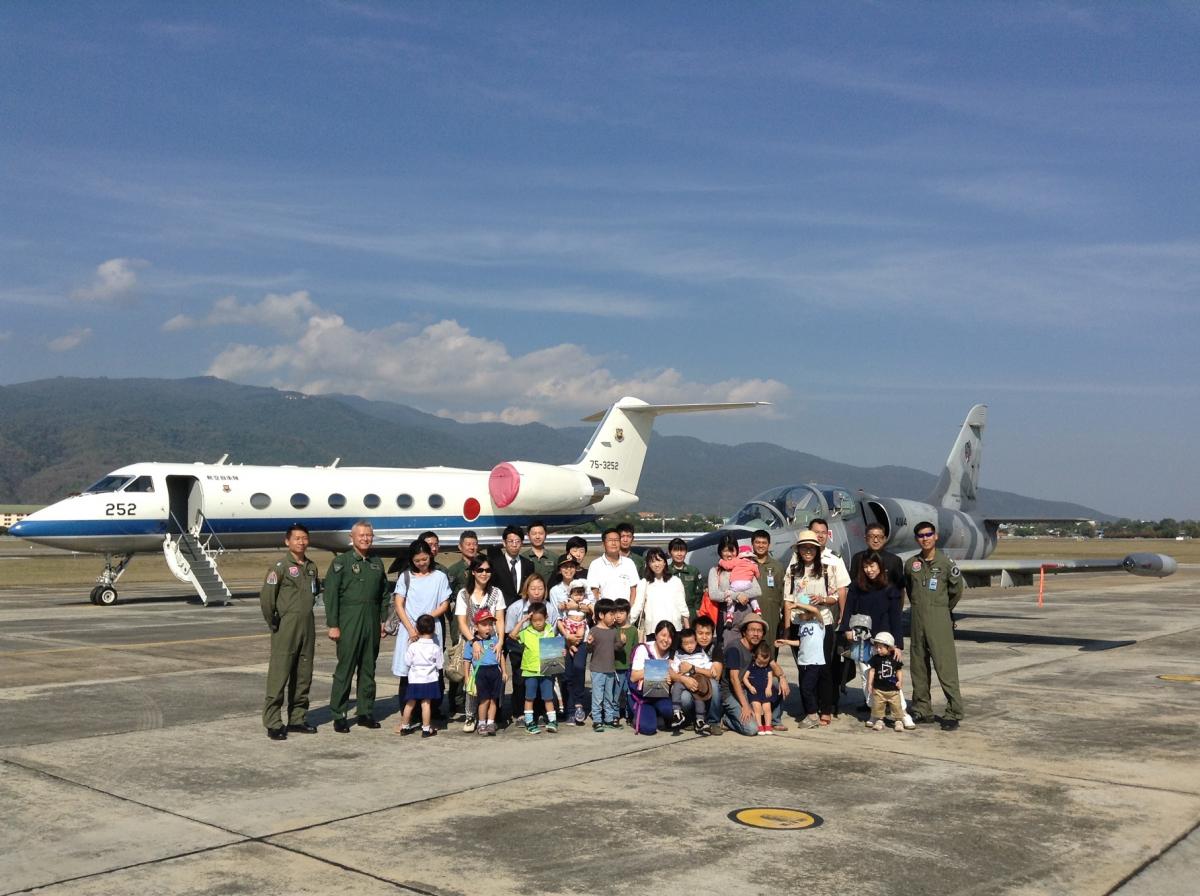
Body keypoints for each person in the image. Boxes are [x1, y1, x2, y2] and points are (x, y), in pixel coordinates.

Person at [325, 521, 392, 733]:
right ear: (351, 538)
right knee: (345, 669)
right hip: (349, 619)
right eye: (361, 535)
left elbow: (384, 594)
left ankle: (365, 712)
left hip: (371, 619)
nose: (365, 538)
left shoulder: (376, 562)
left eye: (369, 535)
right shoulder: (341, 562)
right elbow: (331, 595)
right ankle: (339, 714)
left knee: (368, 668)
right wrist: (333, 624)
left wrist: (383, 620)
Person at [260, 523, 319, 740]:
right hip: (286, 626)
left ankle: (297, 718)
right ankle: (273, 722)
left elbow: (315, 592)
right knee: (279, 674)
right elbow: (267, 599)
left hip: (307, 625)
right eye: (297, 538)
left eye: (304, 538)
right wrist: (275, 622)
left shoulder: (311, 567)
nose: (301, 542)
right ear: (287, 541)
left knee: (303, 674)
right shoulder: (280, 567)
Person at [905, 521, 965, 731]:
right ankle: (922, 709)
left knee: (945, 667)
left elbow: (956, 590)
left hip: (939, 618)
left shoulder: (946, 563)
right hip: (917, 619)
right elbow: (909, 588)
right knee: (918, 667)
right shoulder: (911, 564)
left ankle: (954, 711)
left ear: (936, 536)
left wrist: (942, 609)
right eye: (921, 536)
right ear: (917, 539)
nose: (925, 538)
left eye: (929, 534)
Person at [782, 529, 840, 726]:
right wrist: (787, 628)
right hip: (800, 624)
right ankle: (810, 708)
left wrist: (821, 599)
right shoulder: (793, 570)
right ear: (798, 550)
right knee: (804, 667)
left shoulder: (826, 569)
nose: (808, 551)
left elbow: (835, 597)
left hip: (822, 623)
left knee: (824, 667)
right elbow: (788, 600)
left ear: (817, 550)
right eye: (804, 547)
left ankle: (826, 708)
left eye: (811, 548)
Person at [840, 551, 907, 721]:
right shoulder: (856, 587)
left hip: (883, 641)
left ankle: (902, 713)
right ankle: (875, 712)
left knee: (889, 675)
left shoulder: (890, 589)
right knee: (866, 675)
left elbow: (896, 618)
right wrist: (846, 629)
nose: (869, 570)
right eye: (865, 566)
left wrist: (897, 645)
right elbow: (848, 609)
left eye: (872, 566)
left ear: (880, 566)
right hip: (862, 638)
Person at [391, 539, 452, 708]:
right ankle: (408, 712)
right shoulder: (406, 576)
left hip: (431, 629)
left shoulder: (440, 577)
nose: (421, 563)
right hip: (409, 629)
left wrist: (425, 621)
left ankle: (430, 711)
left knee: (431, 669)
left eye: (424, 559)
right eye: (417, 560)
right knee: (409, 670)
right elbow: (399, 604)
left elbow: (444, 604)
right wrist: (412, 629)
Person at [454, 555, 506, 733]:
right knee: (472, 680)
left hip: (492, 641)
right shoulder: (464, 594)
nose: (484, 573)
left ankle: (492, 717)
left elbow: (500, 619)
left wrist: (500, 641)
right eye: (480, 570)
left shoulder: (496, 593)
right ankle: (470, 715)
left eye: (488, 570)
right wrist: (474, 640)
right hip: (470, 639)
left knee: (494, 678)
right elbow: (462, 622)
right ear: (473, 572)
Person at [720, 613, 789, 736]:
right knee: (752, 729)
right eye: (752, 630)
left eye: (759, 631)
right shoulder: (734, 649)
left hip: (750, 688)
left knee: (777, 683)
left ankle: (774, 720)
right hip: (732, 693)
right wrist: (745, 706)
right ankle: (727, 720)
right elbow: (734, 679)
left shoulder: (760, 646)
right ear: (744, 632)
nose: (756, 634)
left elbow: (773, 665)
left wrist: (782, 677)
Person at [809, 518, 851, 714]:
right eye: (816, 532)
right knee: (810, 660)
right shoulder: (800, 557)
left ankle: (831, 701)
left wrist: (843, 614)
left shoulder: (834, 558)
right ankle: (813, 700)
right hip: (807, 618)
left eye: (823, 532)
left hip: (829, 616)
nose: (820, 535)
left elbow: (842, 589)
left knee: (830, 660)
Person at [504, 573, 556, 724]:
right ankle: (520, 713)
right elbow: (510, 632)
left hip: (544, 646)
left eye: (540, 588)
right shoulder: (516, 607)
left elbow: (553, 631)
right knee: (521, 680)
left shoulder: (550, 608)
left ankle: (540, 712)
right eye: (533, 588)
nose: (537, 592)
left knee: (544, 680)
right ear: (527, 589)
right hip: (520, 644)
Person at [774, 601, 824, 728]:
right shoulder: (802, 625)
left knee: (807, 688)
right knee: (804, 688)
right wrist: (786, 642)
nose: (800, 615)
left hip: (815, 661)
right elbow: (801, 642)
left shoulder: (818, 623)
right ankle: (811, 714)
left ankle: (813, 716)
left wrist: (797, 605)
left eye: (803, 613)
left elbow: (816, 610)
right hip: (803, 661)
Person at [708, 535, 762, 650]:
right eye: (725, 551)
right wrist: (736, 596)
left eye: (731, 550)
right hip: (727, 618)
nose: (728, 554)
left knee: (748, 653)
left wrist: (743, 595)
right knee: (730, 650)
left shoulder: (745, 565)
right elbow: (714, 594)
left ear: (737, 551)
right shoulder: (715, 570)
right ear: (720, 552)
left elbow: (757, 590)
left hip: (747, 617)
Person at [628, 620, 682, 735]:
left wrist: (671, 678)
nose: (666, 640)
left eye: (670, 637)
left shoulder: (673, 655)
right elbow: (633, 677)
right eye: (663, 635)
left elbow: (677, 676)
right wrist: (659, 670)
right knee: (649, 729)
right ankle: (639, 716)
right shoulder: (643, 649)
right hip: (641, 697)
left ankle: (657, 715)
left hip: (660, 696)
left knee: (670, 712)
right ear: (656, 635)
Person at [394, 614, 442, 738]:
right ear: (434, 629)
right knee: (426, 704)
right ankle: (426, 729)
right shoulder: (435, 648)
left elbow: (407, 662)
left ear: (417, 629)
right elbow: (440, 664)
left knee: (410, 703)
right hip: (429, 679)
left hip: (415, 679)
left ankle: (405, 727)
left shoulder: (413, 646)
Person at [518, 602, 560, 734]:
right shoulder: (526, 632)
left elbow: (555, 649)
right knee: (529, 697)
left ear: (546, 617)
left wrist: (560, 652)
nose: (537, 623)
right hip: (530, 671)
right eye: (534, 620)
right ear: (530, 619)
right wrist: (523, 621)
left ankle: (552, 721)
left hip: (546, 670)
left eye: (540, 620)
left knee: (548, 697)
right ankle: (529, 722)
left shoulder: (550, 631)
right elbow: (513, 635)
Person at [463, 608, 506, 736]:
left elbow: (501, 656)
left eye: (490, 624)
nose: (488, 627)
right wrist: (467, 677)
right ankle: (481, 723)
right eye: (484, 624)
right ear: (476, 627)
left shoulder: (495, 640)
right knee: (484, 700)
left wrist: (504, 671)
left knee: (493, 699)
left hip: (495, 671)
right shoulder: (471, 643)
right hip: (481, 672)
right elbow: (466, 661)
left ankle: (491, 722)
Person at [631, 547, 689, 636]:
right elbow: (638, 606)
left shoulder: (675, 581)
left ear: (665, 562)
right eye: (653, 561)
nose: (656, 564)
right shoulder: (644, 583)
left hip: (674, 629)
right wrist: (627, 623)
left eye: (659, 560)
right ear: (648, 564)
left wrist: (687, 630)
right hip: (653, 630)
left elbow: (682, 606)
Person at [587, 598, 625, 731]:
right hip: (597, 669)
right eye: (611, 614)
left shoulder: (614, 631)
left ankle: (609, 719)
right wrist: (589, 643)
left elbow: (616, 648)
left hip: (610, 669)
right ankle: (597, 720)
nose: (614, 617)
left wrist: (622, 642)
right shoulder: (594, 630)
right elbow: (589, 650)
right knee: (597, 696)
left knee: (609, 696)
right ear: (601, 615)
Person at [849, 524, 907, 607]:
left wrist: (898, 611)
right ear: (865, 538)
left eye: (879, 537)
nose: (875, 540)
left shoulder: (894, 560)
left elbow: (900, 589)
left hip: (886, 608)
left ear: (885, 539)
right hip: (862, 608)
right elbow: (852, 587)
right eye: (872, 537)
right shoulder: (858, 558)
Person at [559, 579, 592, 724]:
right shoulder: (567, 601)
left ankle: (578, 704)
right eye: (576, 593)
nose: (579, 595)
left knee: (579, 668)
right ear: (570, 593)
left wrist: (580, 606)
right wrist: (568, 640)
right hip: (567, 633)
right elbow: (560, 613)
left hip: (581, 637)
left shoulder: (585, 602)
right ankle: (569, 709)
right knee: (567, 674)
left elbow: (593, 609)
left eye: (581, 593)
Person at [669, 627, 713, 734]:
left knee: (699, 697)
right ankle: (677, 712)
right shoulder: (679, 654)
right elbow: (674, 668)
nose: (689, 646)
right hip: (684, 680)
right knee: (677, 687)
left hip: (697, 680)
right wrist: (678, 672)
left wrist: (708, 670)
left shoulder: (701, 653)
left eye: (692, 643)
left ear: (696, 642)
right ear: (681, 644)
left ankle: (700, 721)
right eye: (686, 644)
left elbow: (708, 667)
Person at [750, 529, 787, 647]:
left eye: (764, 543)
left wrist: (784, 618)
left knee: (769, 648)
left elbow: (783, 593)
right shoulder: (746, 564)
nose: (761, 545)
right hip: (750, 614)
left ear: (769, 545)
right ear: (752, 544)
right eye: (757, 542)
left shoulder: (778, 567)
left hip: (771, 615)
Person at [866, 631, 905, 732]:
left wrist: (900, 681)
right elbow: (872, 671)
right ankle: (880, 720)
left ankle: (898, 721)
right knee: (878, 706)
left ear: (889, 648)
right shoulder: (875, 658)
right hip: (879, 689)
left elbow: (899, 671)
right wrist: (869, 684)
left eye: (881, 648)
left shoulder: (895, 658)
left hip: (893, 689)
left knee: (896, 706)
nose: (878, 650)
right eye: (876, 647)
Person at [588, 528, 638, 605]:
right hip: (605, 610)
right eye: (610, 540)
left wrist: (630, 609)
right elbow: (594, 591)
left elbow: (634, 589)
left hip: (625, 610)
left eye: (617, 540)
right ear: (603, 544)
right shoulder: (595, 564)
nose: (614, 543)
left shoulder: (629, 563)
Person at [692, 615, 725, 734]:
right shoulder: (688, 646)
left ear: (712, 634)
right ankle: (690, 720)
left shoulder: (716, 648)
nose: (704, 637)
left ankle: (713, 722)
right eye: (700, 633)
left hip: (708, 688)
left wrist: (693, 668)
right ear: (694, 634)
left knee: (714, 685)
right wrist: (706, 671)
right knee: (684, 696)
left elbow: (716, 675)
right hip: (691, 684)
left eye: (708, 633)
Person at [742, 641, 783, 735]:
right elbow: (745, 678)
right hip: (754, 691)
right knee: (757, 708)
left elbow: (770, 678)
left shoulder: (767, 667)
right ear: (755, 657)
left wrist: (768, 687)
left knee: (767, 709)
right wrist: (750, 687)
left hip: (765, 691)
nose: (762, 665)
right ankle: (759, 726)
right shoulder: (752, 666)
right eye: (759, 662)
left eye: (765, 663)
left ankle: (768, 726)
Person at [489, 525, 533, 607]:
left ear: (522, 543)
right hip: (502, 609)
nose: (514, 545)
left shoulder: (528, 564)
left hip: (523, 609)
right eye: (511, 541)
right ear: (504, 543)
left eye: (517, 541)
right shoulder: (495, 564)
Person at [667, 537, 704, 620]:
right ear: (669, 552)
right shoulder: (666, 572)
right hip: (671, 612)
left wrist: (697, 608)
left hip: (691, 612)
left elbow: (699, 592)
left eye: (682, 550)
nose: (679, 554)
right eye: (676, 550)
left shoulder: (693, 571)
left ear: (686, 552)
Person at [612, 598, 635, 725]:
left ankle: (629, 714)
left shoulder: (633, 630)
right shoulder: (612, 629)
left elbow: (636, 649)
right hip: (615, 666)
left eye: (621, 612)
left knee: (628, 692)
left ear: (627, 613)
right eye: (615, 612)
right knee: (616, 692)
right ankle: (615, 715)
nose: (618, 615)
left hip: (629, 667)